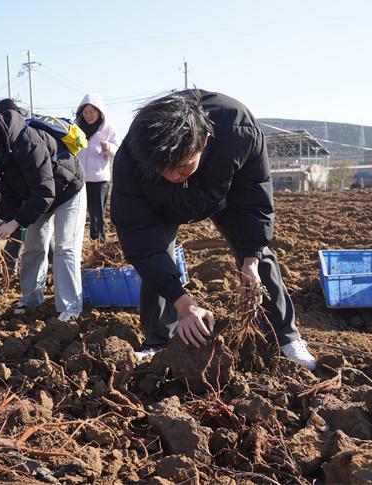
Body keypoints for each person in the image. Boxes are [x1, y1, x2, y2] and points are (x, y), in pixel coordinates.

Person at [110, 89, 317, 370]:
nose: (172, 177)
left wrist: (251, 259)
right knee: (157, 262)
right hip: (160, 205)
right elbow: (142, 243)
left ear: (204, 142)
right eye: (164, 170)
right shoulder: (133, 158)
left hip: (223, 194)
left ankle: (285, 338)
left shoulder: (238, 129)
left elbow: (254, 198)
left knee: (259, 259)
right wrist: (185, 306)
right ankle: (159, 343)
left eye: (183, 167)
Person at [0, 97, 86, 322]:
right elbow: (10, 192)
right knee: (33, 247)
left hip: (67, 189)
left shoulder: (26, 141)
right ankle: (31, 300)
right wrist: (2, 218)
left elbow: (45, 190)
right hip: (37, 197)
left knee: (64, 247)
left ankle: (69, 309)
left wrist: (16, 222)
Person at [75, 93, 120, 242]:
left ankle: (99, 242)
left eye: (92, 112)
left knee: (97, 213)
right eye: (85, 112)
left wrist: (107, 147)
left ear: (99, 111)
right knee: (79, 213)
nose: (88, 115)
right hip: (79, 178)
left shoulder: (108, 128)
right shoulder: (76, 127)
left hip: (99, 179)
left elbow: (118, 150)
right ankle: (81, 243)